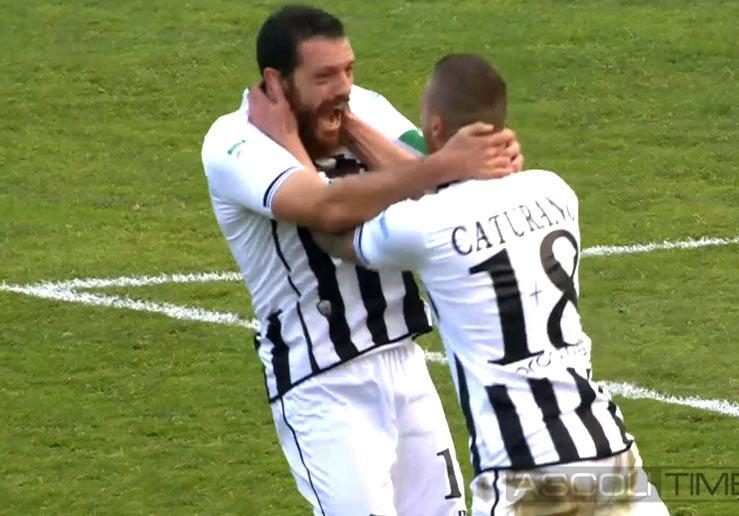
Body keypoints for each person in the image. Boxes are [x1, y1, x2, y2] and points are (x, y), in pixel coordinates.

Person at [201, 6, 522, 516]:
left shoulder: (364, 109)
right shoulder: (235, 143)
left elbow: (455, 190)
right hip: (323, 384)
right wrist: (441, 165)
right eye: (324, 76)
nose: (343, 87)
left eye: (348, 70)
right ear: (276, 81)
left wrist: (352, 129)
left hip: (404, 363)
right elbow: (325, 208)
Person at [315, 54, 670, 516]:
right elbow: (458, 195)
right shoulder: (555, 190)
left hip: (522, 470)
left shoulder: (421, 225)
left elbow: (332, 230)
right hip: (609, 450)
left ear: (436, 129)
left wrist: (312, 150)